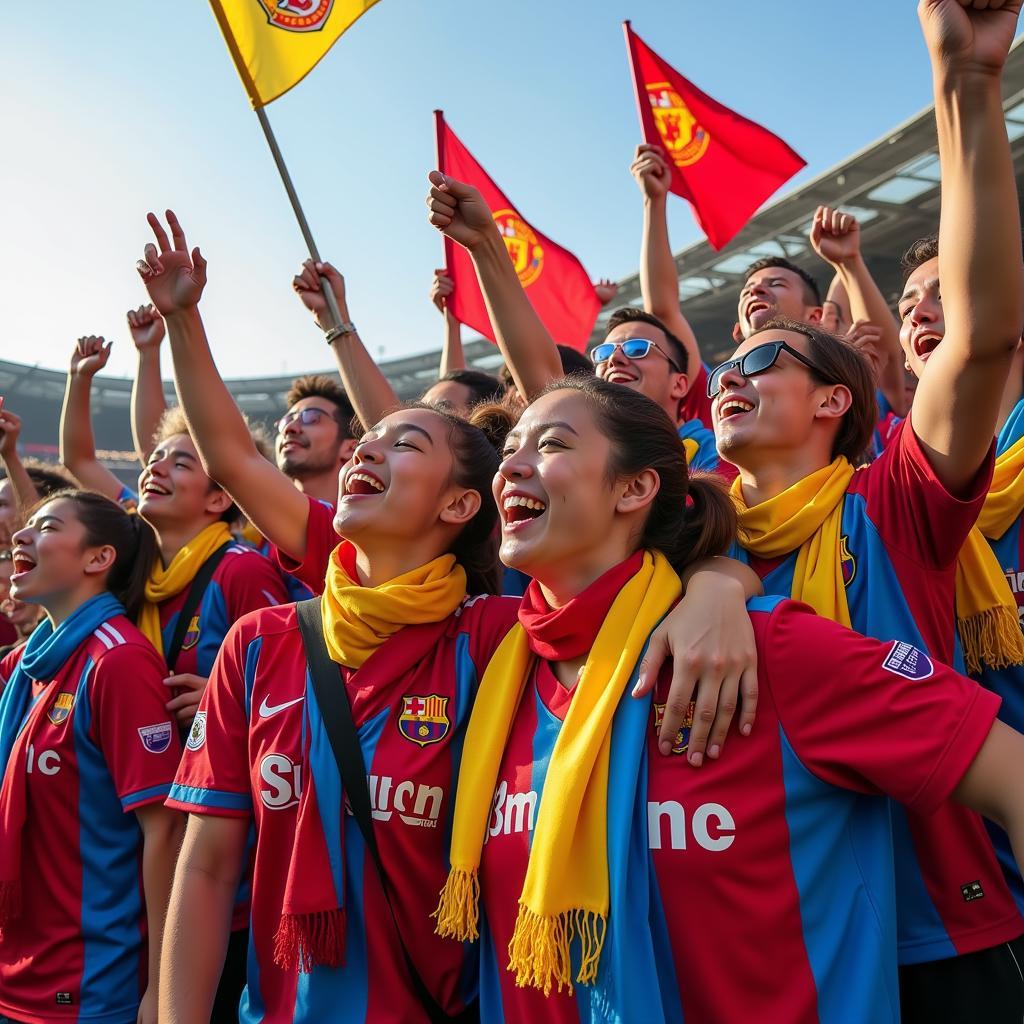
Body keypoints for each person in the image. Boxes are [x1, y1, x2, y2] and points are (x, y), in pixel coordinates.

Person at [435, 376, 1024, 1023]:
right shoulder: (493, 673)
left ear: (634, 488)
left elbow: (1013, 777)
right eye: (511, 448)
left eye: (550, 445)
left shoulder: (770, 650)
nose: (511, 465)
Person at [705, 3, 1024, 1014]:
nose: (729, 375)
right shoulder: (674, 545)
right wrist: (711, 575)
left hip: (931, 933)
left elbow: (974, 343)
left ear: (837, 400)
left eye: (762, 359)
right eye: (724, 365)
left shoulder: (891, 502)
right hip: (757, 931)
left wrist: (964, 84)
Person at [0, 489, 183, 1024]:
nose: (22, 535)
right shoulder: (27, 668)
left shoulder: (118, 662)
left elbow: (165, 832)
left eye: (49, 526)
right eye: (27, 524)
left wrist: (162, 983)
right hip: (16, 965)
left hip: (89, 982)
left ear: (98, 558)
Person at [424, 174, 734, 479]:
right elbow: (540, 377)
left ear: (681, 384)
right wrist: (484, 244)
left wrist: (654, 200)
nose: (615, 358)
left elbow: (664, 308)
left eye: (638, 348)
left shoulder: (715, 447)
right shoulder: (578, 439)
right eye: (604, 352)